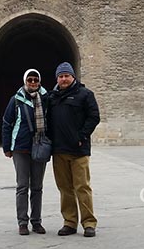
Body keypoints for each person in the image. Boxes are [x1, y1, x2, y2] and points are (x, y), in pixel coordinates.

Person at [48, 61, 100, 238]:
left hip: (78, 151)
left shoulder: (85, 94)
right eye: (60, 76)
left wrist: (82, 136)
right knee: (64, 188)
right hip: (59, 151)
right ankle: (69, 222)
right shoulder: (52, 97)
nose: (63, 79)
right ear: (57, 78)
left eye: (66, 76)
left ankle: (89, 223)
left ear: (73, 77)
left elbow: (94, 117)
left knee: (82, 187)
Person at [2, 68, 49, 235]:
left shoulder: (46, 99)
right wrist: (7, 147)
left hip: (40, 146)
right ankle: (22, 222)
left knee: (37, 187)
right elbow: (7, 123)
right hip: (21, 148)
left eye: (36, 79)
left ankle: (37, 221)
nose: (33, 82)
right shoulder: (15, 100)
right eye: (30, 79)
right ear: (25, 81)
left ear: (40, 81)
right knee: (22, 186)